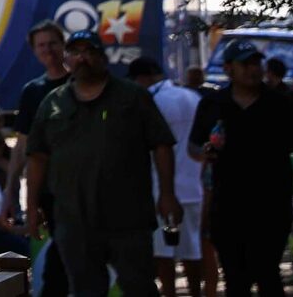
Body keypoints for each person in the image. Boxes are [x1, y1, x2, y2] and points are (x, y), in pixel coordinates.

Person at [27, 34, 181, 297]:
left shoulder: (132, 96)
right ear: (67, 60)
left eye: (89, 51)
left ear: (103, 57)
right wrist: (31, 206)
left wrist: (167, 194)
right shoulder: (53, 103)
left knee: (139, 287)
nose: (82, 58)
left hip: (128, 219)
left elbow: (162, 145)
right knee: (86, 290)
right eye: (75, 52)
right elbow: (37, 157)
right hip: (74, 220)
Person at [191, 41, 293, 297]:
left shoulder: (280, 105)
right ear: (228, 69)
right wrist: (205, 152)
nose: (253, 69)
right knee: (236, 280)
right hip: (227, 207)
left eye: (257, 63)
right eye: (245, 64)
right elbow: (193, 148)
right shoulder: (212, 104)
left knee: (267, 275)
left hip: (271, 206)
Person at [132, 56, 209, 297]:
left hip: (161, 190)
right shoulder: (192, 97)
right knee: (192, 251)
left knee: (164, 254)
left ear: (141, 78)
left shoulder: (151, 101)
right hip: (193, 186)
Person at [10, 20, 76, 297]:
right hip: (50, 191)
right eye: (41, 45)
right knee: (59, 264)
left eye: (52, 43)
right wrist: (10, 190)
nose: (47, 50)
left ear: (63, 45)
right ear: (34, 51)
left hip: (87, 189)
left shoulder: (81, 84)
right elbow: (22, 146)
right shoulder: (32, 91)